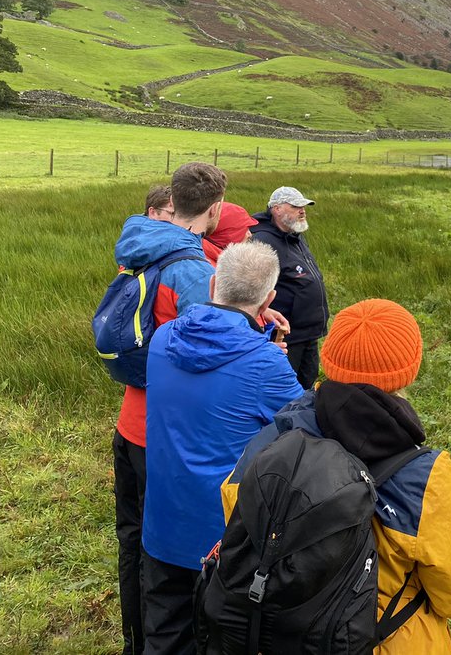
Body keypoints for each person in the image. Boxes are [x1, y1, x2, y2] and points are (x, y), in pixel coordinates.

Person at [223, 298, 451, 653]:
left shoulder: (272, 443)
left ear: (329, 359)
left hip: (281, 638)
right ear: (408, 371)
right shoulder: (427, 477)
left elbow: (235, 518)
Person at [141, 241, 303, 655]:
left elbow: (219, 357)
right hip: (223, 544)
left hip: (161, 529)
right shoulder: (266, 364)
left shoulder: (163, 340)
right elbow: (304, 424)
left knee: (164, 635)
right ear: (269, 300)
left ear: (213, 283)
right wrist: (268, 346)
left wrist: (262, 343)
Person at [111, 162, 225, 655]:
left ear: (171, 202)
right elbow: (207, 356)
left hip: (130, 420)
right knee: (166, 553)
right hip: (168, 436)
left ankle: (135, 640)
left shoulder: (139, 245)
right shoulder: (194, 268)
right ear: (215, 208)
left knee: (131, 538)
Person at [251, 186, 328, 389]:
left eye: (304, 206)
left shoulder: (296, 236)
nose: (302, 210)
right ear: (276, 209)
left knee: (307, 381)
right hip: (285, 335)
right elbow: (253, 287)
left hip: (309, 331)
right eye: (295, 206)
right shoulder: (262, 240)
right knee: (284, 388)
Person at [200, 203, 258, 267]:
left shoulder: (204, 252)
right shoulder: (213, 271)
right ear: (229, 236)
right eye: (243, 230)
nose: (249, 234)